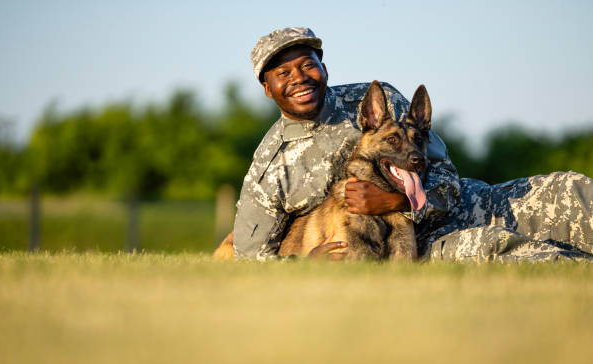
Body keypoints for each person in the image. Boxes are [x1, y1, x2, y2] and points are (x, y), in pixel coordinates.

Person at [233, 27, 592, 262]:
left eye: (307, 65)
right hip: (410, 245)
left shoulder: (377, 98)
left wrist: (397, 201)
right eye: (283, 73)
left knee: (569, 188)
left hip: (473, 202)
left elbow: (445, 176)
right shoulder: (270, 165)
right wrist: (309, 263)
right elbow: (251, 257)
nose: (299, 78)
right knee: (504, 247)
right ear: (267, 88)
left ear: (323, 68)